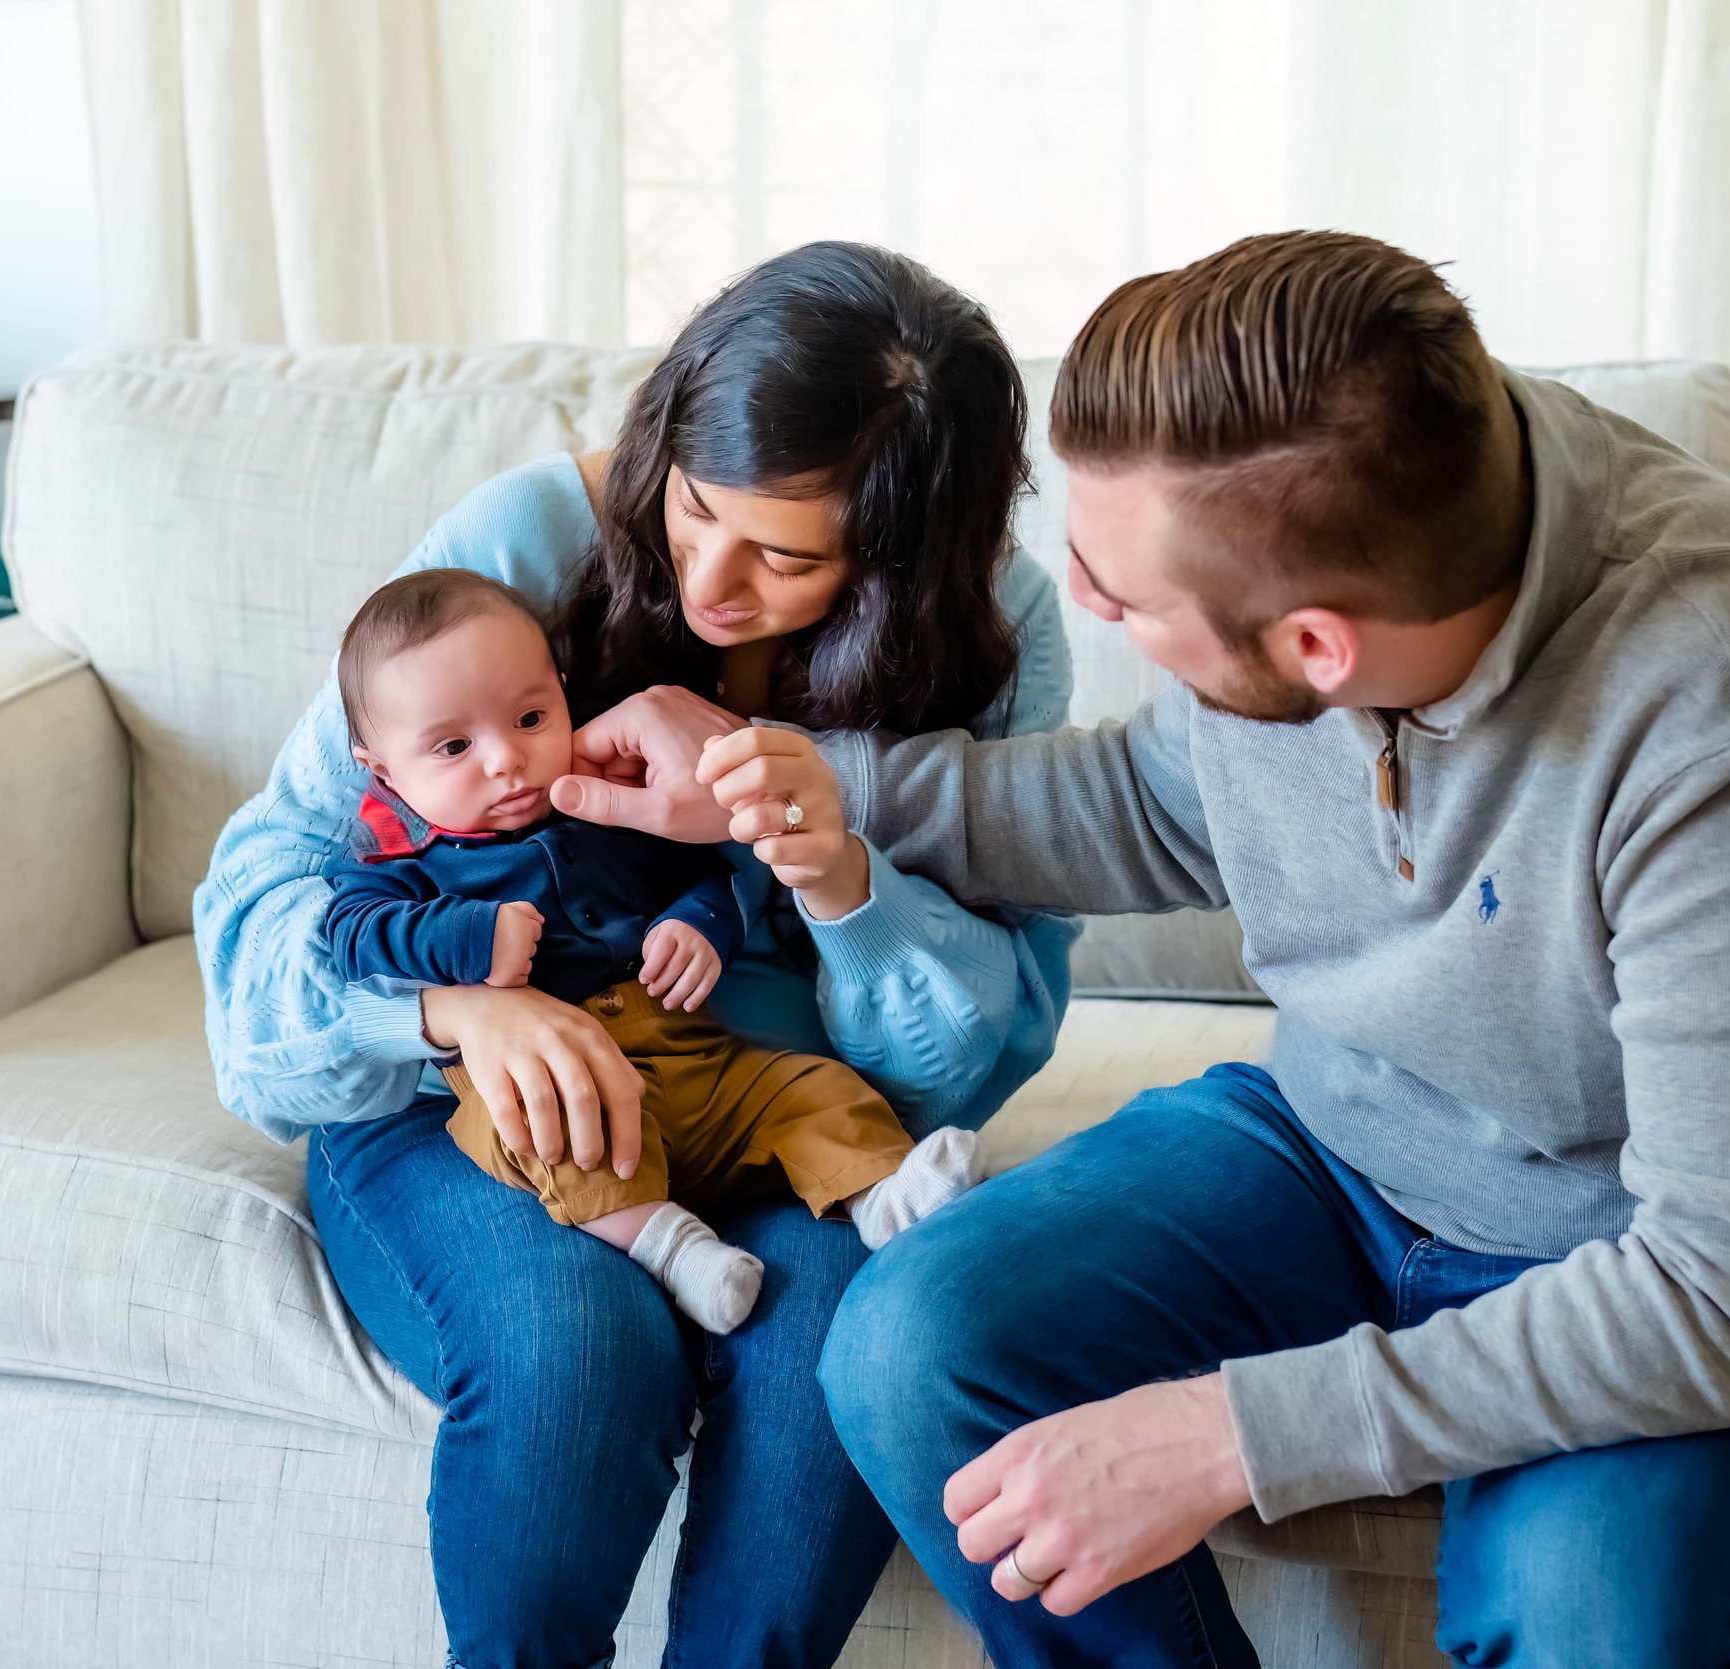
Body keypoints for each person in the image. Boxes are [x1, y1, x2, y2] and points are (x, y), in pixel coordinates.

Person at [691, 230, 1730, 1665]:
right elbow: (1152, 804)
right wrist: (799, 777)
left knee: (1590, 1613)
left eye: (1120, 599)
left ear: (1319, 649)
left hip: (1660, 1254)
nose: (1086, 600)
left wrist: (1238, 1433)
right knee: (910, 1344)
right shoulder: (1340, 526)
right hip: (1342, 1148)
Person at [193, 242, 1075, 1669]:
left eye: (784, 556)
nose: (709, 580)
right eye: (693, 507)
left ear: (901, 560)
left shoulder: (995, 633)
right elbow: (261, 926)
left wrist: (825, 860)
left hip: (763, 1097)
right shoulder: (531, 540)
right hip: (465, 1115)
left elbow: (980, 1047)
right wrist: (457, 1008)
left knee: (849, 1346)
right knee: (576, 1350)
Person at [319, 567, 987, 1334]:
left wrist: (701, 924)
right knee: (550, 1142)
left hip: (693, 1051)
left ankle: (883, 1192)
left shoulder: (603, 798)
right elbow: (350, 937)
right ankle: (674, 1249)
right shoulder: (399, 856)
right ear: (381, 769)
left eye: (532, 717)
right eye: (454, 745)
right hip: (555, 1078)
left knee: (807, 1086)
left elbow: (714, 874)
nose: (506, 760)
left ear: (562, 689)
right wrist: (466, 940)